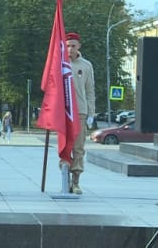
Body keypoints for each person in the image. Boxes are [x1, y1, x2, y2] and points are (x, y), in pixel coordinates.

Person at [65, 32, 95, 194]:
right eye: (68, 45)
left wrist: (91, 113)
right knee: (64, 146)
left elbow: (90, 91)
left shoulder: (86, 65)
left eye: (73, 46)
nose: (70, 49)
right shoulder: (60, 63)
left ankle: (76, 181)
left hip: (80, 112)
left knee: (78, 148)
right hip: (63, 112)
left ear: (79, 46)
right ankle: (65, 178)